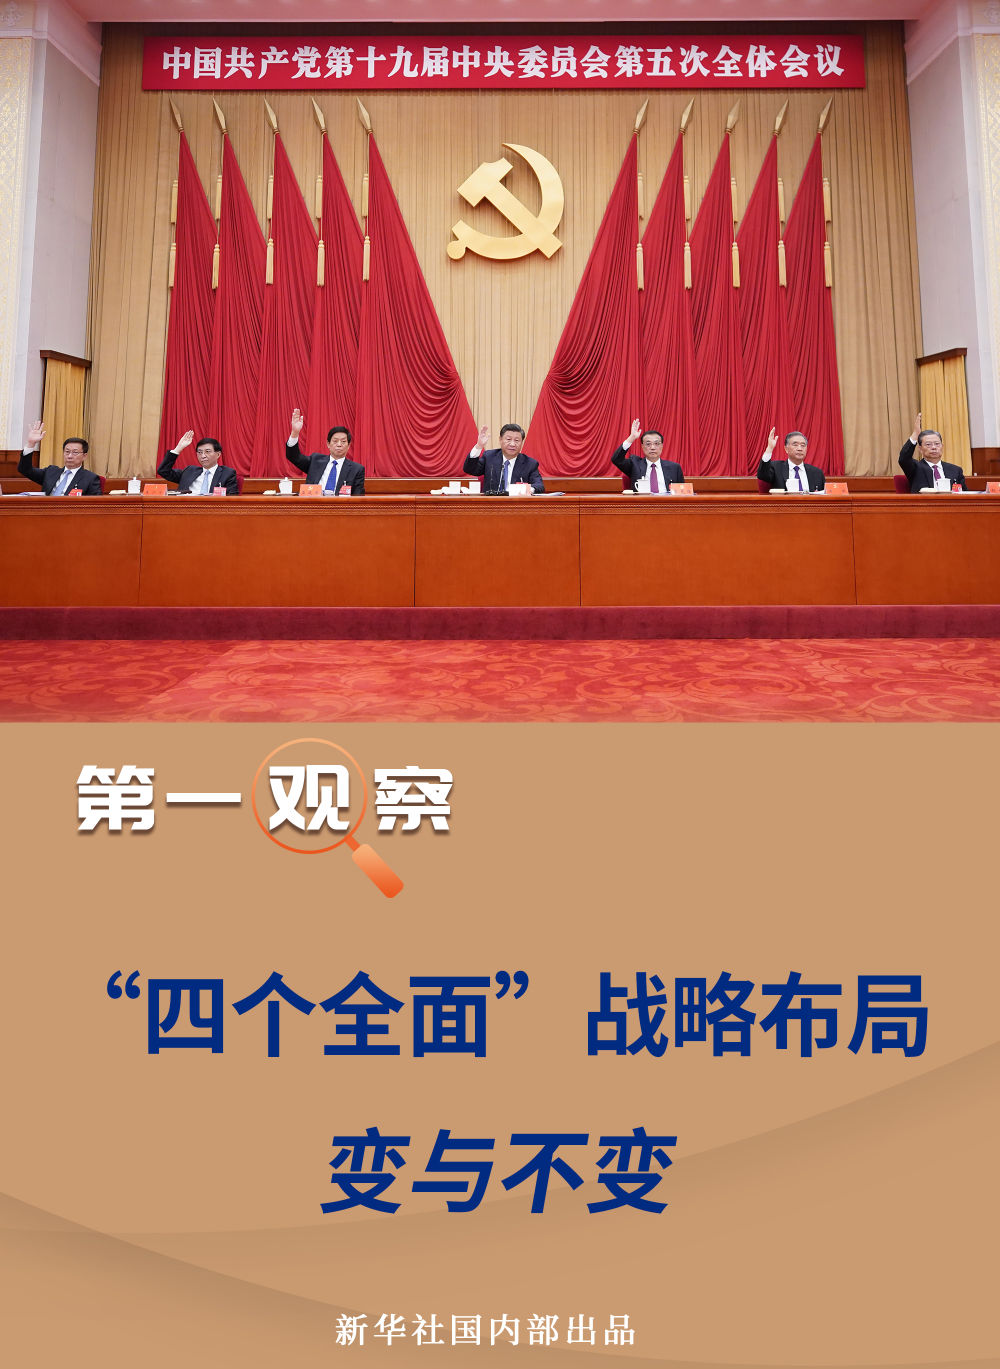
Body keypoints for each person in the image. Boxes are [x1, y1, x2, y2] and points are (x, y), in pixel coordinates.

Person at [285, 409, 365, 495]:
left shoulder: (356, 469)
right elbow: (293, 456)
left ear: (348, 445)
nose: (339, 444)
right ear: (328, 444)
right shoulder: (315, 461)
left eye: (343, 441)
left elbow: (358, 497)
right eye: (335, 441)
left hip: (340, 503)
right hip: (313, 502)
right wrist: (295, 433)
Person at [19, 421, 102, 495]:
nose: (70, 456)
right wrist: (31, 444)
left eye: (75, 452)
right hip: (46, 507)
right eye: (67, 451)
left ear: (84, 456)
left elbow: (95, 504)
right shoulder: (50, 472)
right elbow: (25, 469)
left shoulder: (90, 478)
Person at [463, 423, 545, 493]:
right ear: (500, 439)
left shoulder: (530, 463)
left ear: (522, 442)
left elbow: (539, 486)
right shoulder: (489, 457)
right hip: (491, 504)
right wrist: (479, 446)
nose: (512, 444)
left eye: (517, 440)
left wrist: (525, 490)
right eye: (508, 439)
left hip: (516, 504)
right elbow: (470, 469)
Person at [898, 413, 967, 491]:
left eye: (937, 444)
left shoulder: (955, 470)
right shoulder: (915, 468)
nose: (934, 447)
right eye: (928, 444)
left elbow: (965, 494)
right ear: (920, 449)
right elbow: (903, 458)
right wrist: (915, 434)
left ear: (942, 446)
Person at [610, 420, 683, 492]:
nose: (652, 447)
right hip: (642, 500)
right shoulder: (634, 464)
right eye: (648, 444)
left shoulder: (674, 468)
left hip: (667, 499)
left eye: (656, 444)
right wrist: (631, 438)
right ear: (642, 446)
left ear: (662, 446)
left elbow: (682, 493)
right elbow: (616, 459)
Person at [158, 432, 240, 495]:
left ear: (218, 454)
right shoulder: (189, 471)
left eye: (207, 451)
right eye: (200, 452)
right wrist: (178, 448)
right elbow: (163, 471)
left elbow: (232, 498)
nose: (203, 456)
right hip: (185, 508)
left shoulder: (227, 473)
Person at [756, 428, 825, 492]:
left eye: (803, 445)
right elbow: (762, 475)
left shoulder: (817, 473)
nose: (800, 449)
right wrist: (769, 449)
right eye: (795, 445)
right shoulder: (776, 468)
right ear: (786, 449)